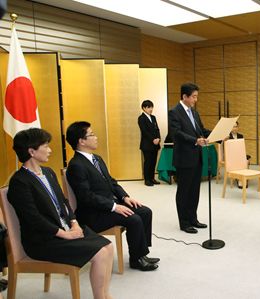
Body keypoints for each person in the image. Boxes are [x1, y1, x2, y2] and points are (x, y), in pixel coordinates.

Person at [8, 128, 113, 298]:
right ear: (32, 151)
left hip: (64, 228)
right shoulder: (20, 182)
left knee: (107, 246)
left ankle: (105, 295)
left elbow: (63, 202)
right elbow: (33, 218)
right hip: (43, 240)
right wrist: (65, 235)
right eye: (46, 146)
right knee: (100, 253)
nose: (50, 150)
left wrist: (74, 223)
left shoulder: (48, 172)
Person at [65, 121, 159, 271]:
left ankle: (141, 253)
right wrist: (114, 207)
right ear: (81, 141)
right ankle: (136, 260)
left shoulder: (96, 158)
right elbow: (86, 196)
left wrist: (124, 197)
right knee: (133, 218)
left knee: (144, 211)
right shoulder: (76, 165)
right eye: (92, 134)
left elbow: (111, 182)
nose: (96, 137)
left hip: (107, 204)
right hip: (92, 213)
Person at [168, 83, 210, 234]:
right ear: (184, 96)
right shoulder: (174, 112)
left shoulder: (194, 113)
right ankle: (184, 222)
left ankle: (193, 219)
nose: (196, 100)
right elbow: (177, 133)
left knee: (194, 190)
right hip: (184, 158)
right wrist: (195, 140)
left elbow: (202, 130)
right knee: (184, 191)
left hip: (196, 157)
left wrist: (218, 134)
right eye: (194, 96)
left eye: (197, 96)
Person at [138, 99, 161, 187]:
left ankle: (152, 178)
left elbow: (157, 129)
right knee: (148, 162)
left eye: (151, 107)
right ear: (144, 108)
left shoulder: (153, 117)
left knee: (153, 161)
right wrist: (153, 139)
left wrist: (158, 138)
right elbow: (144, 131)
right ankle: (147, 179)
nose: (151, 109)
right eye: (148, 107)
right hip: (147, 144)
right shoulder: (141, 118)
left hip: (155, 144)